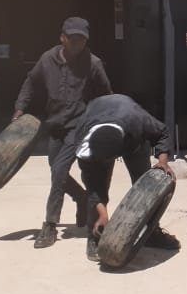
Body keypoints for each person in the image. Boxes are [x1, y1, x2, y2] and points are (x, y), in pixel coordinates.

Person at [13, 17, 112, 249]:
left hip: (78, 126)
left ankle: (49, 225)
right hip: (54, 124)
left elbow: (107, 95)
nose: (77, 43)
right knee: (55, 170)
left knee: (59, 170)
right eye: (73, 39)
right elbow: (31, 80)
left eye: (82, 39)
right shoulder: (47, 59)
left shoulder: (94, 64)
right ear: (62, 38)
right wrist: (20, 108)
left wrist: (103, 124)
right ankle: (81, 197)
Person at [73, 94, 180, 262]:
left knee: (146, 186)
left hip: (131, 135)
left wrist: (163, 162)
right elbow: (93, 185)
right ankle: (94, 236)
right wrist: (103, 214)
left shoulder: (137, 120)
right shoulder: (84, 142)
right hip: (101, 120)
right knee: (100, 185)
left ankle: (151, 233)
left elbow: (162, 133)